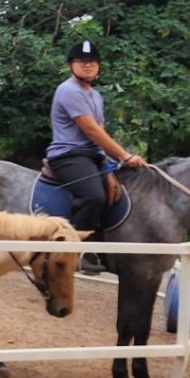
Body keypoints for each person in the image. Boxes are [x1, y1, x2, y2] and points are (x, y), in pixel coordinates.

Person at [47, 41, 146, 273]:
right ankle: (73, 250)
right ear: (71, 65)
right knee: (94, 196)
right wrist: (125, 156)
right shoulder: (69, 90)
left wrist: (108, 164)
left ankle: (101, 243)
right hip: (68, 154)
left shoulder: (96, 95)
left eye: (92, 62)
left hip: (92, 156)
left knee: (115, 191)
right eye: (81, 61)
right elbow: (91, 130)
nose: (88, 65)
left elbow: (99, 134)